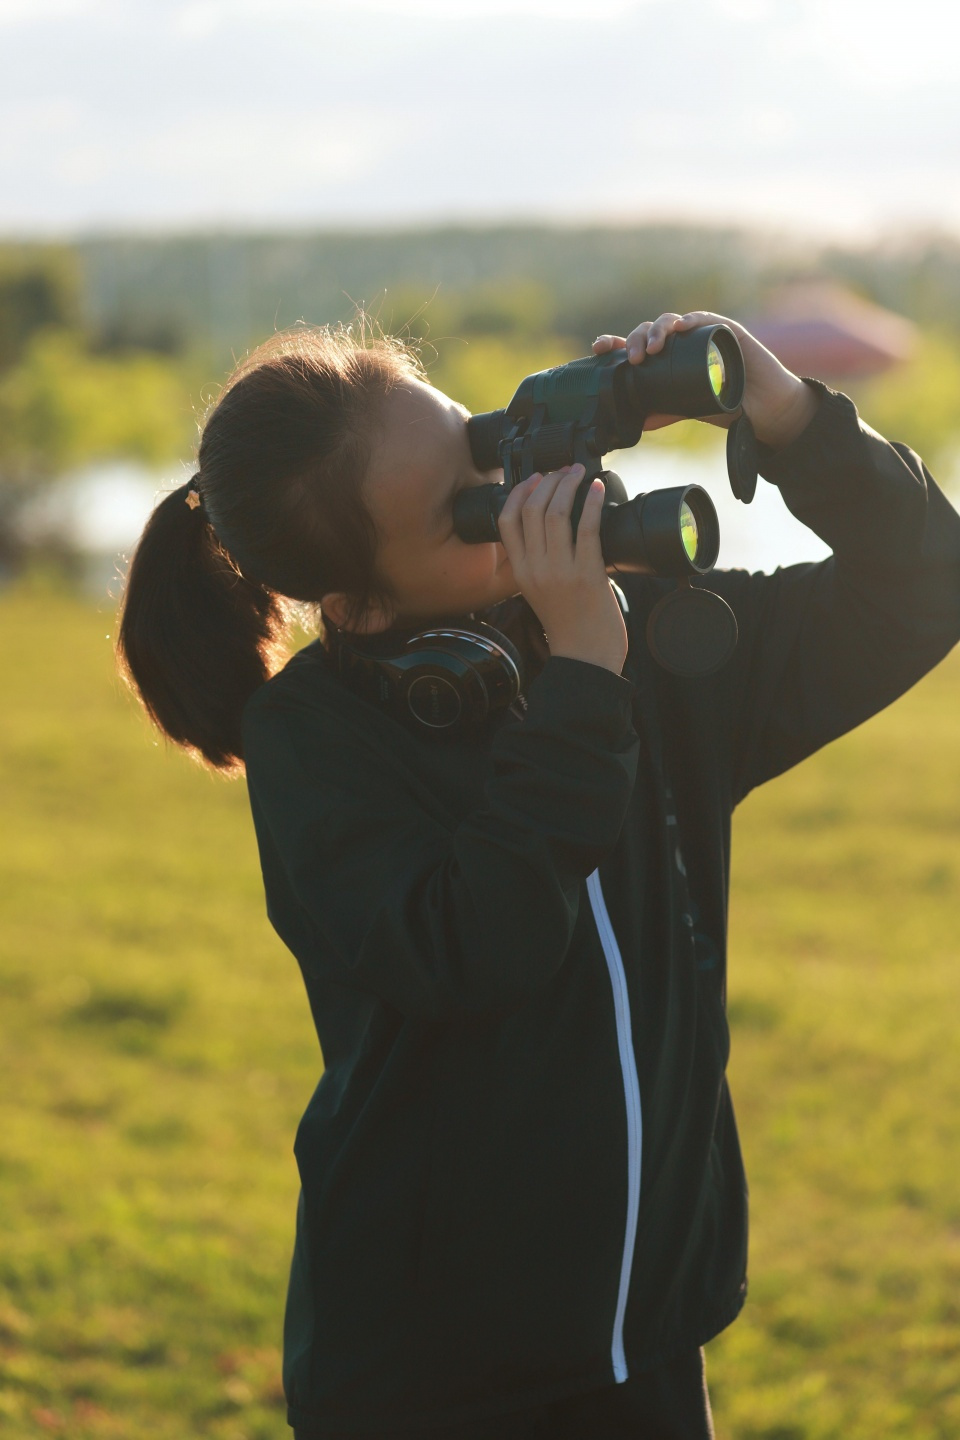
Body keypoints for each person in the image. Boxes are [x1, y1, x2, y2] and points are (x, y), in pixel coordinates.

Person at [117, 310, 960, 1440]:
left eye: (482, 442)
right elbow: (475, 942)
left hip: (647, 1333)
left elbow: (924, 584)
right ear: (360, 603)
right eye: (463, 509)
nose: (512, 495)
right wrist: (582, 682)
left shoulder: (647, 644)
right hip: (433, 1369)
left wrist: (787, 412)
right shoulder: (316, 741)